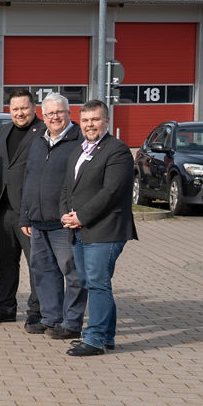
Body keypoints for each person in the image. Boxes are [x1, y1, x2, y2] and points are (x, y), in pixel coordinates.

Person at [61, 100, 137, 356]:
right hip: (79, 228)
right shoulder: (78, 150)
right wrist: (66, 214)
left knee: (97, 283)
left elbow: (111, 191)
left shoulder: (117, 150)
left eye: (95, 119)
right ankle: (106, 335)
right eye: (85, 120)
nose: (90, 125)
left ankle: (94, 339)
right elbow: (67, 187)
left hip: (106, 229)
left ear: (106, 121)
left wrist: (81, 216)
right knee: (89, 281)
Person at [19, 93, 85, 339]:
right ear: (43, 116)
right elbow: (29, 179)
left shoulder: (79, 141)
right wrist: (25, 216)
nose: (55, 117)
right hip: (38, 221)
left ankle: (72, 322)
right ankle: (51, 319)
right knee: (44, 273)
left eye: (60, 112)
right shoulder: (38, 141)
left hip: (64, 223)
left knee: (73, 273)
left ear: (69, 113)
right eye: (50, 113)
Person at [0, 87, 47, 327]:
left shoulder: (44, 132)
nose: (20, 113)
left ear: (34, 108)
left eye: (24, 108)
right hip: (3, 208)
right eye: (15, 109)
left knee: (36, 264)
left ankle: (37, 312)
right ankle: (5, 308)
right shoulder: (4, 131)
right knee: (6, 261)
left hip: (30, 210)